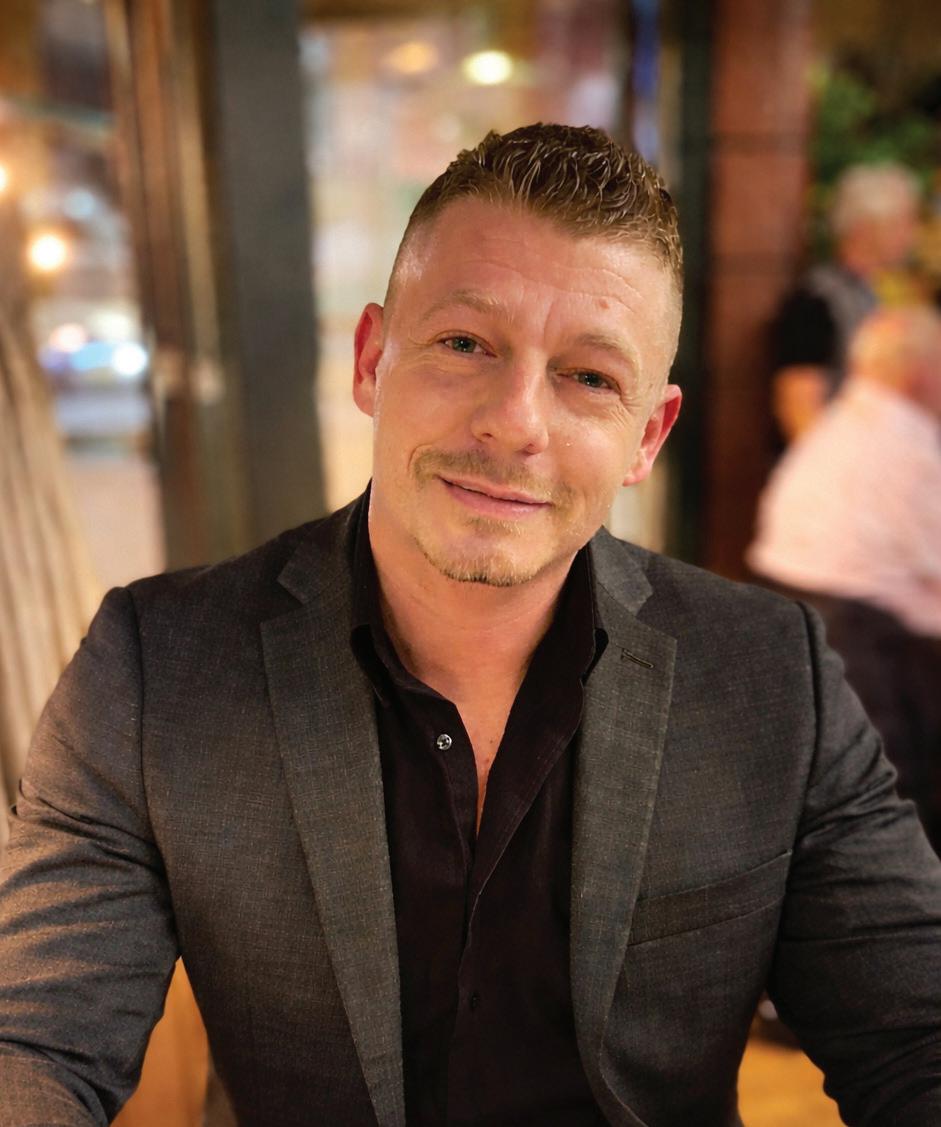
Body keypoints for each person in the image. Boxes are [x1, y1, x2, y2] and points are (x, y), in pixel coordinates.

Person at [1, 124, 940, 1127]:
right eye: (464, 344)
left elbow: (914, 1033)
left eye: (588, 377)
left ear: (646, 435)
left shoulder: (770, 676)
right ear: (372, 360)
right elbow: (34, 1042)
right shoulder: (158, 665)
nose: (514, 422)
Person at [750, 305, 941, 851]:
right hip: (861, 651)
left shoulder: (844, 425)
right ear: (919, 373)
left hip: (797, 624)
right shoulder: (904, 442)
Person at [771, 162, 920, 444]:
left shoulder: (875, 293)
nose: (909, 235)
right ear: (864, 228)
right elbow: (799, 407)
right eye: (899, 223)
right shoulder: (816, 300)